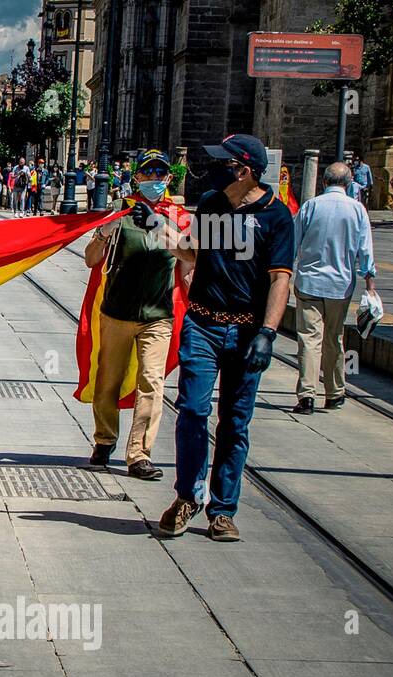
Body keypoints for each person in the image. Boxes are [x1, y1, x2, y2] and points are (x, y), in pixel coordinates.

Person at [158, 134, 294, 542]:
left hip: (247, 329)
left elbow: (280, 279)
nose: (214, 169)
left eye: (224, 163)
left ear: (244, 170)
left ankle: (222, 510)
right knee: (194, 410)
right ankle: (187, 496)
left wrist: (267, 333)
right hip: (203, 323)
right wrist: (174, 244)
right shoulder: (215, 205)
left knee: (235, 421)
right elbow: (197, 253)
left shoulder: (276, 217)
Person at [83, 149, 190, 481]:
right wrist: (105, 231)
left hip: (158, 315)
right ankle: (104, 439)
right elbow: (90, 259)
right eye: (149, 174)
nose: (155, 180)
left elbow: (190, 259)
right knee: (107, 382)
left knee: (151, 382)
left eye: (161, 174)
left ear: (169, 179)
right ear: (137, 178)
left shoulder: (179, 217)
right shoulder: (121, 213)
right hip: (117, 312)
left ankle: (139, 454)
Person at [290, 162, 377, 414]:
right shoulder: (357, 210)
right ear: (349, 184)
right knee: (334, 339)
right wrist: (370, 286)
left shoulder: (310, 206)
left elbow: (293, 245)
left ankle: (307, 395)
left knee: (308, 339)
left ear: (324, 182)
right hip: (340, 286)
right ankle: (335, 392)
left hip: (309, 283)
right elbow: (365, 251)